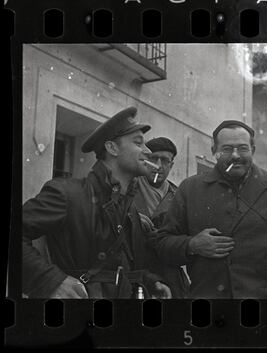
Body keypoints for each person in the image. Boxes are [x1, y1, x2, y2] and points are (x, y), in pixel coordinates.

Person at [155, 120, 267, 299]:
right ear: (214, 152)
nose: (235, 155)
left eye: (242, 148)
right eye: (226, 149)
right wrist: (192, 245)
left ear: (253, 150)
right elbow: (162, 244)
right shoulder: (190, 189)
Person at [23, 107, 171, 299]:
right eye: (138, 143)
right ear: (112, 148)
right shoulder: (67, 193)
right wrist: (50, 281)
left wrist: (150, 281)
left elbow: (117, 264)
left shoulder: (130, 208)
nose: (147, 151)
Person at [134, 137, 190, 298]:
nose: (158, 165)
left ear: (171, 165)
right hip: (133, 272)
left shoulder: (179, 195)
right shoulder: (127, 187)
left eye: (165, 160)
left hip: (169, 276)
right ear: (145, 160)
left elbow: (185, 240)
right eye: (153, 158)